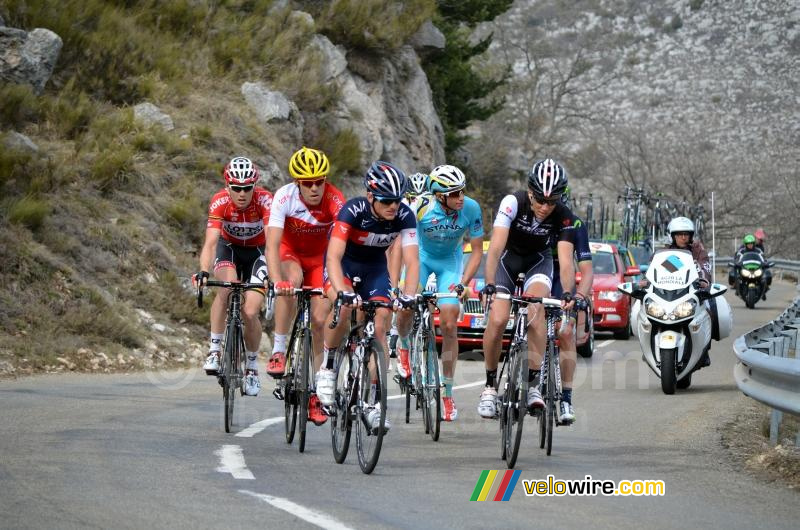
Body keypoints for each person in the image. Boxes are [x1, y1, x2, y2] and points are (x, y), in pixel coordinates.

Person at [317, 161, 420, 434]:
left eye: (397, 201)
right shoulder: (352, 210)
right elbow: (333, 258)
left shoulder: (406, 216)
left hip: (375, 269)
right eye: (387, 201)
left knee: (382, 322)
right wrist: (343, 292)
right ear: (371, 196)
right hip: (344, 266)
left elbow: (412, 260)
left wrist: (408, 296)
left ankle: (374, 401)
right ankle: (327, 368)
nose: (393, 207)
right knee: (347, 308)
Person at [478, 158, 576, 421]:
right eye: (540, 200)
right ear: (530, 193)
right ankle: (489, 386)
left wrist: (568, 291)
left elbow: (566, 261)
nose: (545, 207)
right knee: (498, 319)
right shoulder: (513, 202)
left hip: (538, 262)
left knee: (537, 310)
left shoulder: (564, 215)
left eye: (552, 201)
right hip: (507, 260)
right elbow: (496, 246)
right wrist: (489, 283)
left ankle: (532, 384)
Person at [396, 164, 484, 422]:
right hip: (421, 259)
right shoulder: (419, 207)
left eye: (462, 191)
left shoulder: (471, 208)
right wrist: (402, 283)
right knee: (406, 305)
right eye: (454, 194)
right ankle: (403, 347)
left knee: (448, 319)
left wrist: (463, 283)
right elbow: (404, 243)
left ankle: (446, 393)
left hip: (450, 263)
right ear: (438, 196)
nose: (461, 198)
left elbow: (477, 250)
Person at [265, 147, 344, 425]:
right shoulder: (284, 197)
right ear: (297, 182)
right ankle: (279, 348)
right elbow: (272, 245)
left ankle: (315, 391)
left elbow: (341, 249)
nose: (314, 188)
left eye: (319, 181)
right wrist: (277, 282)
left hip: (321, 259)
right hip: (291, 254)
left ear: (325, 180)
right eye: (307, 183)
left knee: (320, 321)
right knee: (291, 281)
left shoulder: (336, 200)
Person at [195, 157, 273, 396]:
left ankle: (251, 367)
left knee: (250, 312)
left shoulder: (264, 200)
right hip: (229, 248)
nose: (241, 193)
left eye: (247, 188)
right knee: (226, 289)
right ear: (227, 186)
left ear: (254, 186)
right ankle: (215, 349)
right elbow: (210, 243)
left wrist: (273, 273)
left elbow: (272, 242)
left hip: (259, 253)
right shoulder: (219, 201)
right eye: (236, 188)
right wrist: (204, 271)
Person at [548, 188, 593, 424]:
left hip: (562, 283)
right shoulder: (533, 221)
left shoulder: (575, 225)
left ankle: (566, 397)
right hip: (537, 276)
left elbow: (586, 270)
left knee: (565, 333)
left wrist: (581, 295)